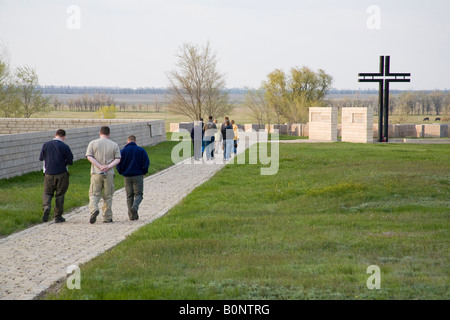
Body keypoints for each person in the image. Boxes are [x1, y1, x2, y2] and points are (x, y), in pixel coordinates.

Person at [86, 126, 121, 224]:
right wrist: (108, 167)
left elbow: (89, 156)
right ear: (109, 134)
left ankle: (94, 209)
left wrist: (99, 166)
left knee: (94, 193)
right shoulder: (114, 145)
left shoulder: (92, 143)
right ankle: (107, 217)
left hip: (96, 172)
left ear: (99, 133)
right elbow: (118, 159)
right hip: (109, 173)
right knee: (108, 195)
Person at [39, 129, 74, 223]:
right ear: (63, 137)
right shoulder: (65, 146)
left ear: (55, 135)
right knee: (60, 195)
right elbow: (70, 161)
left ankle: (46, 206)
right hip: (62, 173)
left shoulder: (46, 145)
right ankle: (58, 216)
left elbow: (41, 158)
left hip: (48, 173)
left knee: (47, 193)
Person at [116, 135, 150, 221]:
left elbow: (118, 163)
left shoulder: (123, 151)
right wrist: (144, 171)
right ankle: (135, 206)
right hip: (138, 175)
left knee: (129, 196)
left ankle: (132, 216)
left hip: (127, 176)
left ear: (127, 142)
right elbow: (146, 162)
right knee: (139, 194)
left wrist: (121, 172)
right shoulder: (141, 150)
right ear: (135, 141)